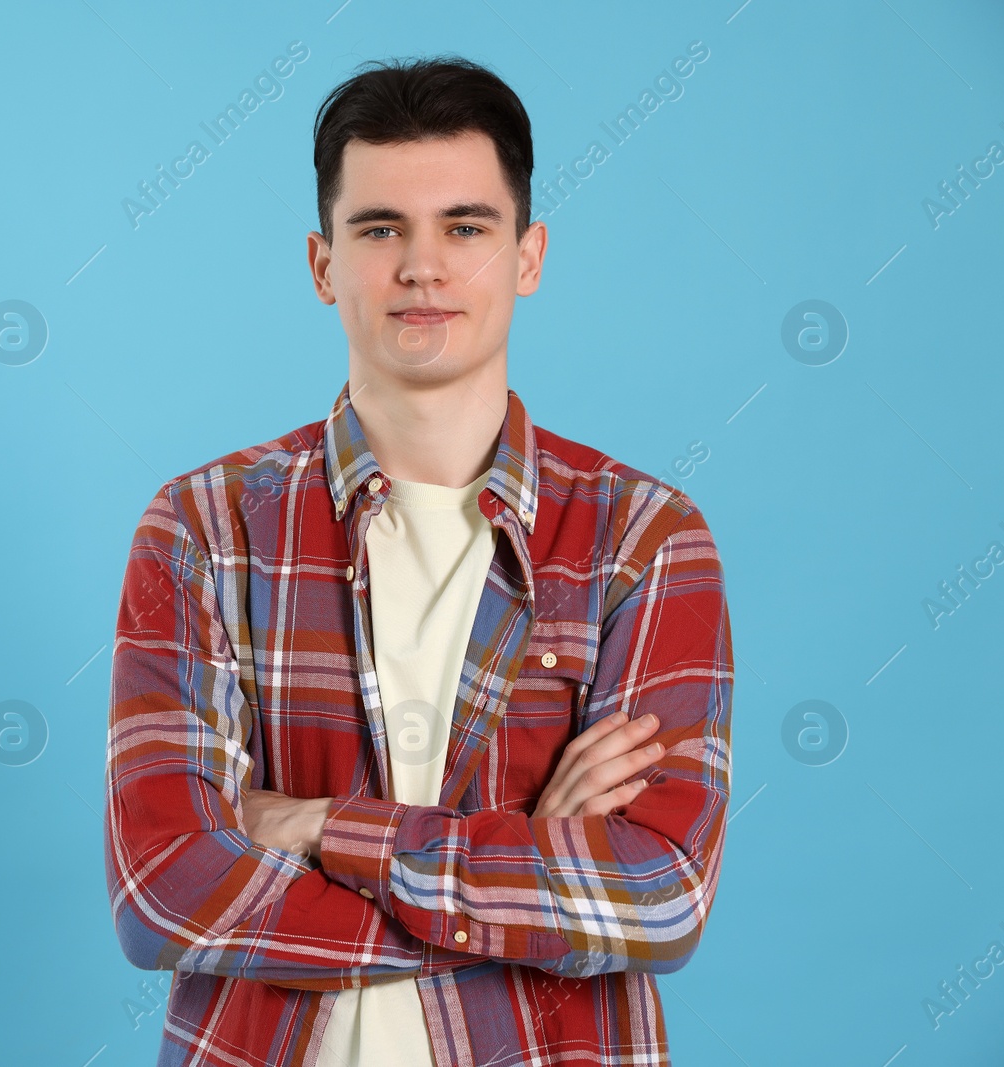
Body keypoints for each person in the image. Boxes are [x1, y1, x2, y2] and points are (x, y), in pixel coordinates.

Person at [104, 54, 733, 1067]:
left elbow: (657, 894)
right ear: (322, 264)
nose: (422, 266)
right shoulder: (205, 529)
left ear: (527, 256)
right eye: (381, 228)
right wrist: (529, 865)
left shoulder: (641, 537)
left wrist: (312, 825)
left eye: (465, 227)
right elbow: (162, 891)